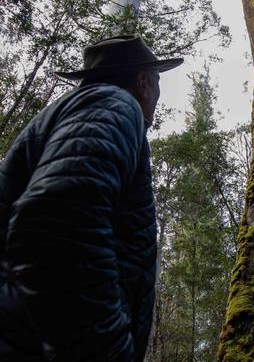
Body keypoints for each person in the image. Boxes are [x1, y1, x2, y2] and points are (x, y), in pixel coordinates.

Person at [0, 35, 183, 361]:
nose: (157, 94)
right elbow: (56, 223)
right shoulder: (115, 105)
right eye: (157, 82)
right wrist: (107, 350)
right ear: (142, 82)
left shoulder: (85, 107)